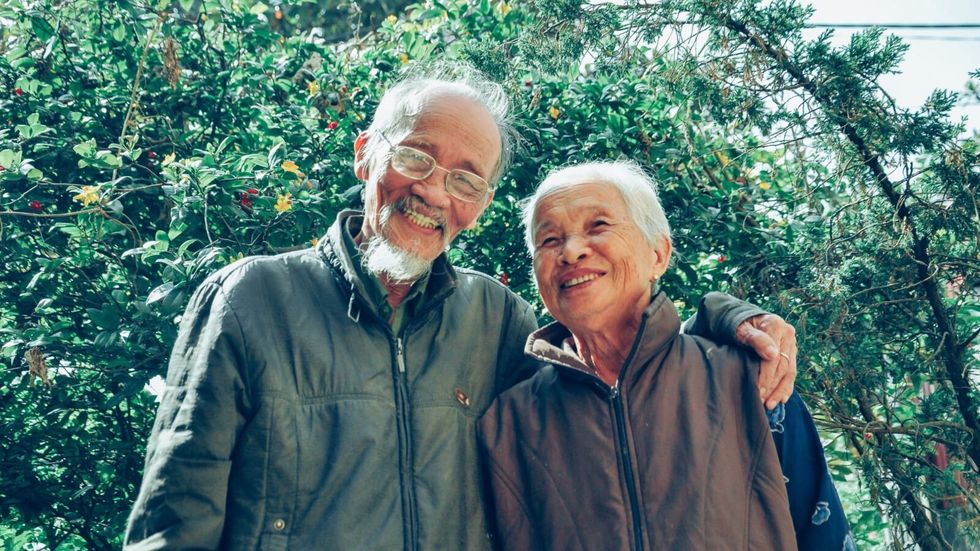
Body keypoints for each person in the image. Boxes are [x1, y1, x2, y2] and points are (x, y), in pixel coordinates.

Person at [124, 65, 799, 550]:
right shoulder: (251, 300)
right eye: (415, 156)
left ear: (478, 205)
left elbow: (619, 364)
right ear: (366, 156)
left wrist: (726, 317)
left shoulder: (497, 318)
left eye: (466, 179)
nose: (434, 192)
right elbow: (173, 522)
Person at [478, 161, 852, 551]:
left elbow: (823, 531)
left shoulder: (749, 379)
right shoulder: (509, 422)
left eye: (599, 226)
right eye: (549, 240)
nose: (571, 251)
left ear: (658, 254)